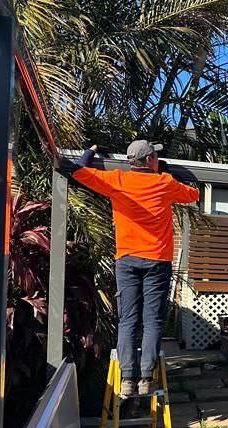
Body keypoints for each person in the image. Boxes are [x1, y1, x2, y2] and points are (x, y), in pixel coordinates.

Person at [72, 141, 199, 397]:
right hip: (157, 261)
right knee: (152, 321)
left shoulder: (117, 180)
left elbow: (77, 171)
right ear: (151, 159)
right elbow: (193, 194)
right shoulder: (164, 183)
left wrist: (91, 151)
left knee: (128, 320)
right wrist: (168, 171)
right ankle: (145, 379)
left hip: (127, 259)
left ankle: (127, 379)